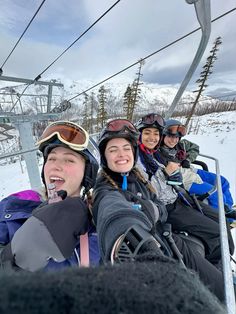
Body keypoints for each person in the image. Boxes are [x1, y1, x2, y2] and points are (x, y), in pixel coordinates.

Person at [92, 118, 225, 302]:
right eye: (113, 150)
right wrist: (125, 235)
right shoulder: (105, 189)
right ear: (104, 158)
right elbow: (114, 213)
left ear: (133, 151)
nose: (121, 154)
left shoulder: (135, 176)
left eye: (126, 148)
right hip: (158, 248)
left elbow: (159, 206)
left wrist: (153, 210)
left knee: (220, 285)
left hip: (169, 237)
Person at [0, 121, 100, 271]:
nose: (55, 166)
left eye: (69, 160)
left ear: (87, 173)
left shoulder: (96, 220)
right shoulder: (16, 203)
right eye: (51, 158)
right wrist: (9, 260)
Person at [135, 113, 234, 265]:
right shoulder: (138, 158)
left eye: (156, 134)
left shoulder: (153, 154)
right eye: (147, 133)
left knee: (221, 219)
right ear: (139, 134)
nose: (152, 138)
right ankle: (218, 266)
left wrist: (174, 178)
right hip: (168, 208)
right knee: (217, 233)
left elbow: (170, 176)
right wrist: (167, 176)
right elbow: (147, 189)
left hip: (180, 197)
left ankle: (226, 221)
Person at [160, 119, 235, 221]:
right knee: (215, 193)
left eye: (176, 137)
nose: (173, 140)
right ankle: (223, 220)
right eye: (170, 136)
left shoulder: (181, 145)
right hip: (184, 179)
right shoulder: (159, 150)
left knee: (222, 181)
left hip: (190, 170)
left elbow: (195, 148)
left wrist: (188, 159)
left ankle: (227, 208)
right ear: (163, 135)